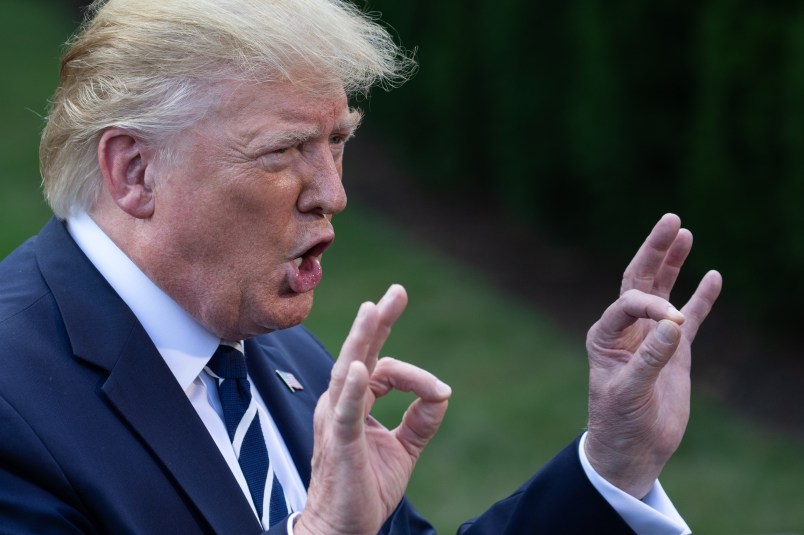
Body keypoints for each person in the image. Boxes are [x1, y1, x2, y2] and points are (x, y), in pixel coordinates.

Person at [0, 0, 722, 533]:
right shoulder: (15, 405)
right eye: (284, 151)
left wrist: (615, 462)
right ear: (135, 172)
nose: (334, 193)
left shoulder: (272, 350)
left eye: (338, 139)